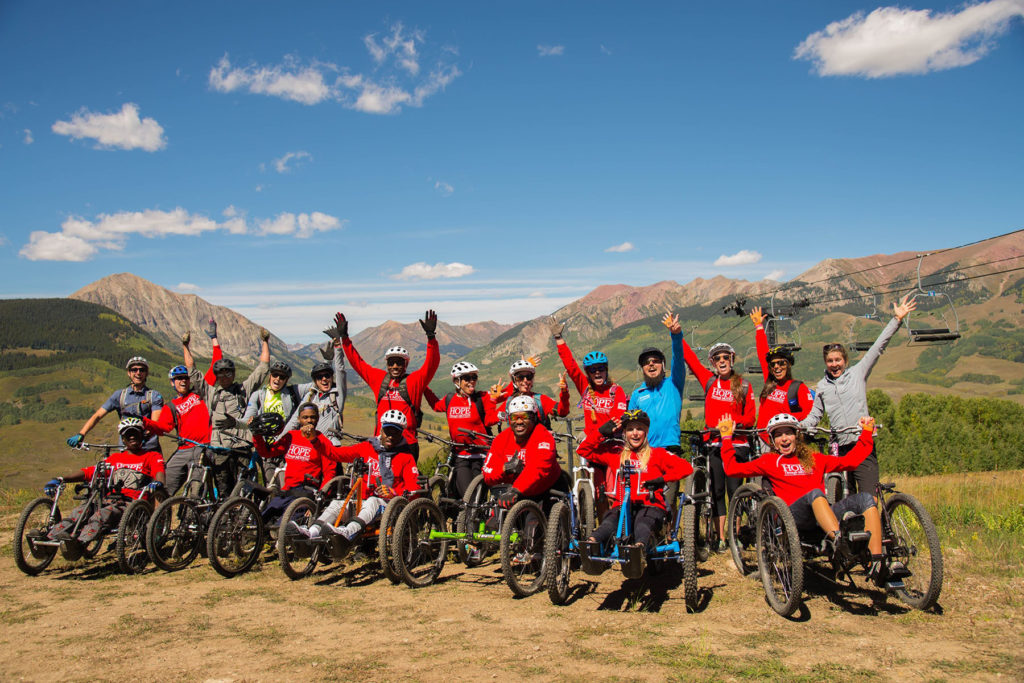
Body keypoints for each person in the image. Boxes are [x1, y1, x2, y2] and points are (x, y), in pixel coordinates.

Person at [718, 412, 900, 584]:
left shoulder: (814, 459)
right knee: (815, 494)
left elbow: (851, 461)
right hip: (793, 518)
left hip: (823, 516)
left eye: (788, 433)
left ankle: (876, 563)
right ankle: (840, 541)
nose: (784, 438)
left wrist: (866, 434)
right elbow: (733, 469)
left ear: (797, 435)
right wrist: (727, 438)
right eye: (778, 435)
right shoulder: (769, 461)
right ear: (773, 441)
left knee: (866, 499)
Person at [800, 294, 917, 496]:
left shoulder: (858, 372)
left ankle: (876, 526)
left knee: (868, 495)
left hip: (862, 442)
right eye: (830, 361)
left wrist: (896, 319)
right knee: (841, 497)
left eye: (838, 360)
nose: (834, 364)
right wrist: (797, 425)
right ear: (825, 363)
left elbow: (878, 347)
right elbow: (814, 416)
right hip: (839, 447)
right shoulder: (822, 387)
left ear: (845, 360)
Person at [578, 410, 692, 577]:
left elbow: (686, 468)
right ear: (624, 433)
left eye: (639, 429)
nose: (635, 433)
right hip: (622, 506)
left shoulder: (657, 454)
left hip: (650, 506)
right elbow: (583, 450)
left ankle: (638, 551)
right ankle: (591, 547)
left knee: (642, 523)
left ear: (646, 432)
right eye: (630, 429)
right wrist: (600, 433)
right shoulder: (616, 455)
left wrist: (662, 479)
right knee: (609, 522)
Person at [289, 410, 419, 545]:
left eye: (395, 432)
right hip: (359, 502)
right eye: (387, 431)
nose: (390, 436)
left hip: (388, 506)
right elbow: (335, 454)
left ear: (401, 434)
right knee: (337, 504)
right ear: (381, 430)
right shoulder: (367, 447)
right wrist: (314, 440)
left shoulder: (406, 457)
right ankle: (312, 531)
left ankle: (347, 532)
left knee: (373, 502)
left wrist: (394, 493)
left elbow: (414, 489)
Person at [335, 310, 440, 461]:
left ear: (406, 364)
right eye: (391, 363)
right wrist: (345, 338)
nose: (395, 366)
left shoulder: (414, 381)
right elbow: (358, 363)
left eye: (399, 362)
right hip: (381, 442)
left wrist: (431, 337)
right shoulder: (379, 379)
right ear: (387, 364)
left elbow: (431, 364)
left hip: (406, 444)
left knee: (404, 483)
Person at [44, 417, 165, 548]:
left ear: (141, 435)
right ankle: (49, 539)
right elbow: (91, 472)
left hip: (131, 503)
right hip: (109, 501)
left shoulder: (152, 456)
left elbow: (159, 472)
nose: (132, 437)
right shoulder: (115, 458)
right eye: (128, 435)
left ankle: (79, 543)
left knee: (101, 515)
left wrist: (158, 483)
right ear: (123, 439)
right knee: (80, 512)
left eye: (135, 433)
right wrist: (62, 478)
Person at [682, 339, 756, 550]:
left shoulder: (743, 385)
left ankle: (734, 535)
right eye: (717, 358)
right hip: (714, 444)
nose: (722, 361)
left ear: (732, 360)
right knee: (716, 490)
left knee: (735, 491)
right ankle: (720, 538)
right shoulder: (708, 381)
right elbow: (690, 359)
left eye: (726, 357)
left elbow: (751, 416)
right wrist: (677, 334)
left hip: (737, 444)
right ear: (712, 363)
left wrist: (737, 424)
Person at [183, 327, 270, 494]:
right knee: (223, 490)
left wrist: (265, 341)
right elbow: (192, 372)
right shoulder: (211, 393)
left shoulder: (243, 389)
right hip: (219, 449)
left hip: (241, 447)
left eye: (228, 373)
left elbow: (263, 369)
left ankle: (243, 518)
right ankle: (223, 519)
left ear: (233, 374)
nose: (224, 377)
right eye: (220, 374)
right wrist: (185, 346)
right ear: (216, 376)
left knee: (243, 490)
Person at [423, 362, 500, 498]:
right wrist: (423, 386)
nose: (471, 381)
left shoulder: (481, 397)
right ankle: (464, 518)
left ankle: (480, 520)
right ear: (456, 381)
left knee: (479, 497)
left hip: (481, 455)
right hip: (460, 455)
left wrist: (521, 373)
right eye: (467, 378)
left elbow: (505, 397)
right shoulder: (449, 399)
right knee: (466, 495)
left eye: (474, 377)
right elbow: (435, 405)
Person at [252, 403, 339, 525]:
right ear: (299, 419)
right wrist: (256, 434)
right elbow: (267, 452)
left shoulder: (324, 442)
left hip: (305, 494)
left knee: (281, 528)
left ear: (318, 418)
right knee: (258, 523)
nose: (309, 420)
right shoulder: (291, 436)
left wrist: (318, 501)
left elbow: (330, 474)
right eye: (305, 417)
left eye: (313, 417)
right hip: (286, 491)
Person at [548, 318, 628, 439]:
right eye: (592, 370)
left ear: (606, 370)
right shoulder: (585, 386)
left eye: (600, 368)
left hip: (611, 443)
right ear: (588, 373)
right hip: (591, 445)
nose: (597, 373)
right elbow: (571, 367)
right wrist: (558, 338)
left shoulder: (616, 391)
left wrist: (596, 434)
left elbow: (617, 418)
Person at [66, 356, 164, 454]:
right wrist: (81, 434)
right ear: (129, 373)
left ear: (146, 373)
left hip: (149, 448)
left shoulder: (153, 396)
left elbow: (154, 423)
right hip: (126, 447)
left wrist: (145, 436)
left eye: (142, 370)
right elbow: (98, 415)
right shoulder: (119, 395)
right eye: (134, 370)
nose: (138, 373)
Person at [481, 395, 563, 511]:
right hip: (514, 491)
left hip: (544, 489)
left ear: (534, 418)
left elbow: (539, 469)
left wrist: (516, 489)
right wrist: (504, 469)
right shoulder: (501, 440)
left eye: (524, 416)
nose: (519, 421)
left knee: (532, 527)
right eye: (514, 417)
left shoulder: (543, 436)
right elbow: (487, 473)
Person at [141, 365, 212, 496]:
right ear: (172, 382)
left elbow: (214, 366)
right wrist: (144, 421)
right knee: (162, 488)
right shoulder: (171, 406)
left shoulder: (201, 393)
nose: (183, 381)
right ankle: (161, 515)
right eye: (178, 378)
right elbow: (163, 428)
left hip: (203, 448)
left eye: (185, 378)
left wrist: (188, 347)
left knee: (196, 492)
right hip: (183, 450)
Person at [749, 306, 814, 445]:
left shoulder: (798, 387)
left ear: (789, 365)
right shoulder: (770, 381)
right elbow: (762, 353)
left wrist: (788, 420)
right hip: (763, 441)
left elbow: (810, 413)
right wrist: (759, 327)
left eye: (781, 363)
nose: (777, 367)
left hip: (785, 443)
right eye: (773, 365)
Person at [627, 313, 687, 452]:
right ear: (642, 369)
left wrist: (676, 335)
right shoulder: (637, 394)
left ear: (663, 366)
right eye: (647, 363)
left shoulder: (674, 384)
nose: (651, 365)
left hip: (671, 447)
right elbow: (630, 424)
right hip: (645, 450)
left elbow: (678, 358)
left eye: (656, 361)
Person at [282, 321, 347, 446]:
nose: (324, 379)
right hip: (310, 446)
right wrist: (279, 441)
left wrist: (338, 346)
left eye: (327, 376)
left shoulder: (338, 396)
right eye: (319, 377)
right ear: (315, 381)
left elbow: (341, 372)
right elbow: (294, 422)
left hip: (330, 447)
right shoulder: (310, 396)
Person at [489, 359, 571, 430]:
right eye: (520, 377)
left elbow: (562, 412)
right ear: (514, 380)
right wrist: (493, 399)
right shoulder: (509, 403)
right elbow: (489, 420)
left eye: (529, 376)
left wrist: (564, 393)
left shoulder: (541, 400)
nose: (525, 380)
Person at [243, 360, 303, 437]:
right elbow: (247, 419)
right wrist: (235, 423)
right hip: (264, 443)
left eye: (282, 377)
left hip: (286, 442)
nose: (277, 379)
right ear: (270, 376)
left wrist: (324, 360)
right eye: (275, 375)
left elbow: (316, 383)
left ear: (286, 380)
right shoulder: (258, 395)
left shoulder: (293, 391)